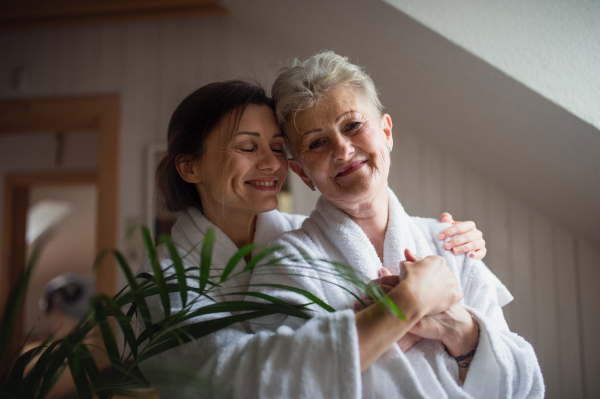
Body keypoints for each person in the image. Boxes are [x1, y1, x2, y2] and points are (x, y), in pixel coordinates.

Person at [139, 79, 489, 398]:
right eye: (247, 147)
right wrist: (408, 304)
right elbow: (233, 379)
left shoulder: (306, 237)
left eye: (278, 149)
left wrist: (453, 242)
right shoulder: (161, 285)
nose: (272, 164)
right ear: (190, 168)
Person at [247, 51, 544, 398]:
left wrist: (461, 329)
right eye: (317, 142)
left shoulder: (449, 242)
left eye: (353, 125)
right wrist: (411, 310)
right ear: (301, 172)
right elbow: (278, 388)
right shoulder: (285, 264)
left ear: (386, 132)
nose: (342, 150)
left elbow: (524, 385)